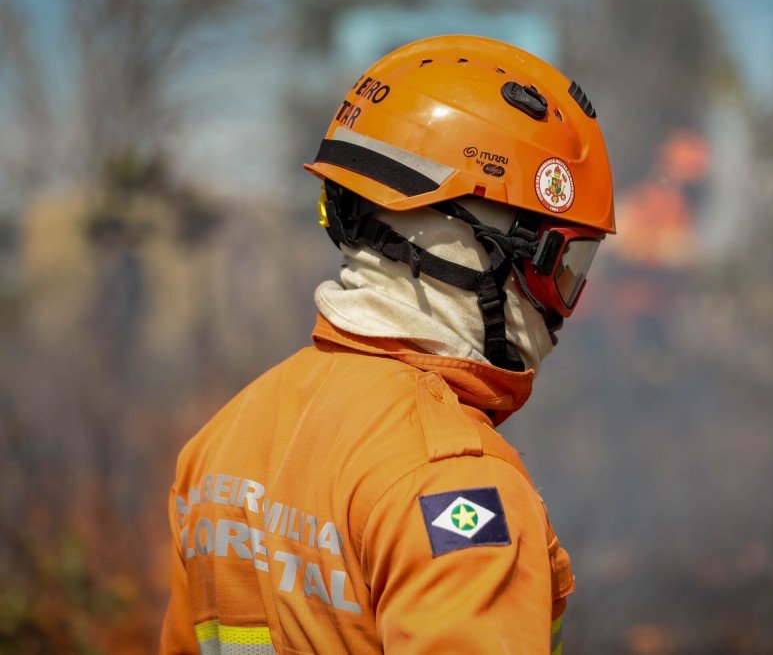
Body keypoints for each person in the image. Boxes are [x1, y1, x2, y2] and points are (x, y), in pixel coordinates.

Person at [160, 34, 615, 654]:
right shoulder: (458, 491)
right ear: (472, 248)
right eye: (561, 268)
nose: (561, 309)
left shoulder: (222, 442)